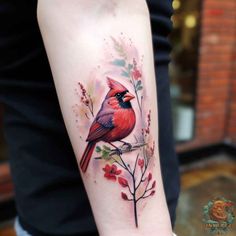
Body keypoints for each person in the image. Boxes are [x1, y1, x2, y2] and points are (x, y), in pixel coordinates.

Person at [0, 0, 180, 235]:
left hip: (42, 208)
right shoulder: (113, 114)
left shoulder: (122, 111)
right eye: (120, 95)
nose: (126, 95)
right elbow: (100, 16)